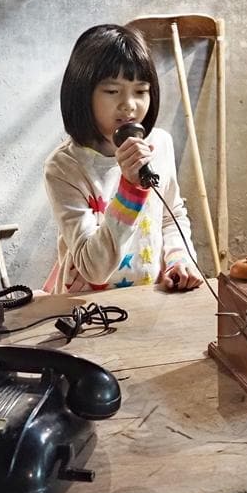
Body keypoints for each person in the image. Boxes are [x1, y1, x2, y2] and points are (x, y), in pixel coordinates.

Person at [42, 24, 204, 294]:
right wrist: (130, 189)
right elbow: (93, 268)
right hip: (89, 306)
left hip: (150, 296)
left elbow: (171, 215)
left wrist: (180, 259)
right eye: (112, 91)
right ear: (82, 93)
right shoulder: (64, 167)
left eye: (140, 91)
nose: (129, 104)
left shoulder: (159, 144)